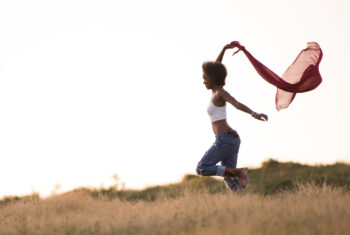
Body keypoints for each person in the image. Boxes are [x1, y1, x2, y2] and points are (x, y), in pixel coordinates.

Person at [196, 42, 268, 191]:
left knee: (202, 168)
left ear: (213, 78)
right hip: (230, 139)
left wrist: (254, 113)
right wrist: (223, 49)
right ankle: (243, 204)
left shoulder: (221, 94)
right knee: (232, 183)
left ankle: (239, 172)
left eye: (205, 78)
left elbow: (236, 103)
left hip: (225, 139)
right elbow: (216, 66)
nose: (203, 81)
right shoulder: (215, 93)